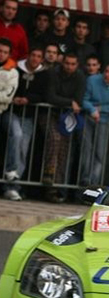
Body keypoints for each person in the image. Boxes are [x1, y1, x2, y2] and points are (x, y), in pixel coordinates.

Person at [3, 45, 47, 200]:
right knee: (16, 135)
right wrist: (14, 98)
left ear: (41, 59)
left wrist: (28, 99)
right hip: (12, 112)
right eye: (33, 55)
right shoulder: (16, 69)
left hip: (29, 116)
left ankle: (13, 187)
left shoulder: (44, 74)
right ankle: (10, 174)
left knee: (23, 149)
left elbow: (44, 94)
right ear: (28, 56)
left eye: (38, 56)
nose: (35, 59)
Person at [43, 52, 86, 202]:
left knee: (63, 150)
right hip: (49, 114)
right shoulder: (53, 73)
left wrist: (70, 102)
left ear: (77, 65)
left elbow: (79, 99)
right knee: (54, 139)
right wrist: (69, 102)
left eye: (73, 64)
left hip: (67, 117)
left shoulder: (80, 77)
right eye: (67, 63)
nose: (69, 66)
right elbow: (50, 97)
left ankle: (57, 188)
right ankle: (49, 174)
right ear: (62, 63)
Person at [81, 62, 109, 186]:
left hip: (104, 121)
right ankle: (85, 179)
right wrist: (92, 110)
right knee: (87, 150)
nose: (107, 75)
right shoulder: (92, 80)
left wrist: (101, 109)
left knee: (100, 152)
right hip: (88, 118)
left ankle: (93, 181)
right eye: (106, 71)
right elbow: (84, 99)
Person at [0, 37, 19, 199]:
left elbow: (7, 96)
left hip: (3, 111)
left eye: (5, 52)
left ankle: (11, 172)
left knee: (16, 133)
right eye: (0, 51)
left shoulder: (13, 72)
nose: (2, 54)